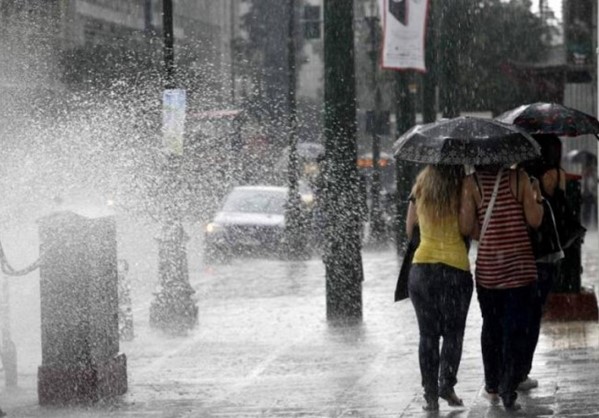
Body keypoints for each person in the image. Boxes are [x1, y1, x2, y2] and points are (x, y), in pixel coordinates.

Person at [460, 163, 543, 411]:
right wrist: (536, 195)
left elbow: (465, 227)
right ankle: (509, 386)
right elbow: (535, 220)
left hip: (489, 271)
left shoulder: (471, 183)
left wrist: (487, 232)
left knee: (492, 327)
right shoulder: (519, 179)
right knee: (515, 328)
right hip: (520, 268)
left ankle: (493, 384)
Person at [406, 164, 475, 411]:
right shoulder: (463, 186)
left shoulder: (420, 186)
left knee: (428, 335)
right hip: (454, 270)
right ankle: (447, 384)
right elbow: (467, 227)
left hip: (422, 270)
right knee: (453, 333)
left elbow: (409, 228)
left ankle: (431, 395)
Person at [518, 134, 567, 392]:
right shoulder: (555, 175)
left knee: (519, 313)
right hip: (547, 254)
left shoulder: (522, 176)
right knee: (534, 316)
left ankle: (512, 367)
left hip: (522, 251)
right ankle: (522, 369)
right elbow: (562, 210)